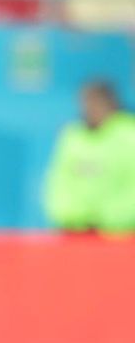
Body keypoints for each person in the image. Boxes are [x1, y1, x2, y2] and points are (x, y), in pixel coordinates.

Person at [43, 79, 135, 234]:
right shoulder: (72, 136)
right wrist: (72, 217)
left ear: (111, 103)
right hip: (76, 233)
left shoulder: (129, 135)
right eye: (86, 102)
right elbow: (58, 183)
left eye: (96, 102)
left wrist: (108, 220)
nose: (90, 108)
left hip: (121, 235)